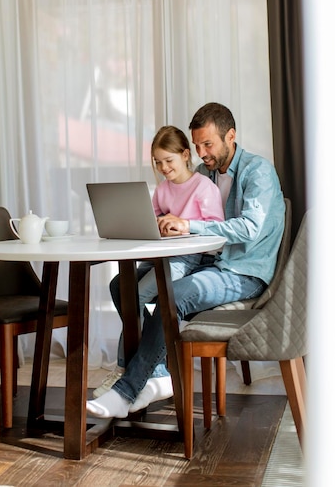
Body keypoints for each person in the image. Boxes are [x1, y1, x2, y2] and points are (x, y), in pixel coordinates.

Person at [86, 102, 285, 419]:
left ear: (230, 136)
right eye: (197, 145)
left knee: (171, 296)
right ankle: (159, 373)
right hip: (208, 264)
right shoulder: (206, 173)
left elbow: (250, 228)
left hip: (243, 272)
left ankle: (127, 390)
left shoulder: (257, 171)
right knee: (121, 285)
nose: (202, 152)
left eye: (209, 144)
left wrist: (189, 225)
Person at [93, 124, 224, 399]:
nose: (163, 167)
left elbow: (216, 227)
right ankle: (155, 368)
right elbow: (148, 217)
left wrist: (184, 226)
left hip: (187, 258)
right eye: (158, 162)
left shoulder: (204, 187)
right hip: (160, 256)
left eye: (168, 160)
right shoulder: (163, 189)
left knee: (138, 296)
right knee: (119, 286)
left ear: (186, 155)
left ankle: (124, 370)